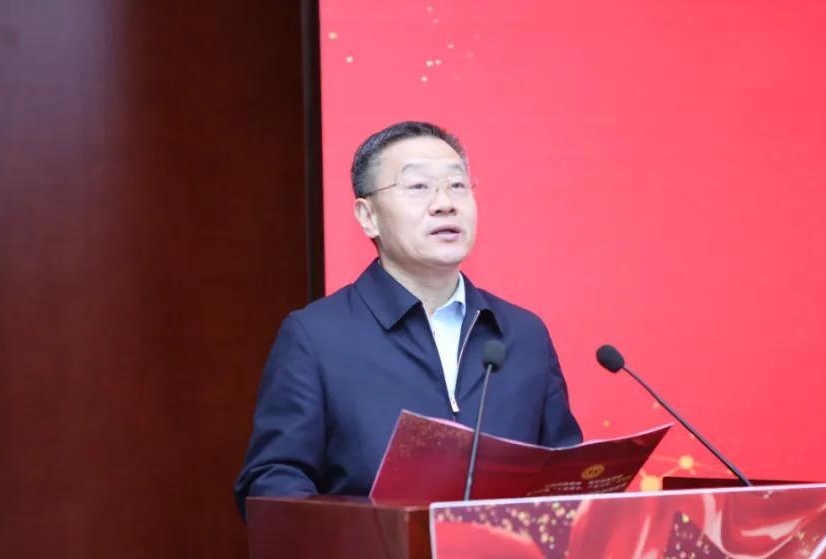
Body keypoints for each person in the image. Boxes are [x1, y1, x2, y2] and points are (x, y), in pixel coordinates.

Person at [234, 121, 581, 516]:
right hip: (377, 556)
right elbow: (273, 484)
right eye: (418, 186)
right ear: (368, 216)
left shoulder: (523, 334)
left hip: (504, 557)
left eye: (457, 185)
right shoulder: (317, 337)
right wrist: (370, 532)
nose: (445, 203)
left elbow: (566, 479)